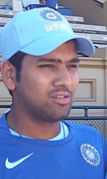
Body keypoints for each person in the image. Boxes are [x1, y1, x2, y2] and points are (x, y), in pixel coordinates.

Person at [0, 7, 107, 179]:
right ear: (10, 75)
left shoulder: (93, 141)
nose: (66, 81)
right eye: (48, 66)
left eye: (72, 66)